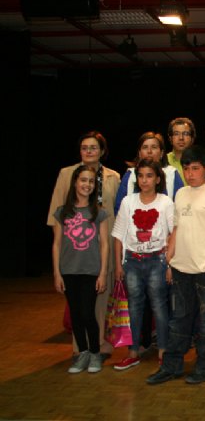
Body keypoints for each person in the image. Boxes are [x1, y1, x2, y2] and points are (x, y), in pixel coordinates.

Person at [146, 145, 205, 385]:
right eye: (186, 168)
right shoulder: (181, 194)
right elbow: (177, 227)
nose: (190, 173)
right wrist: (170, 255)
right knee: (179, 319)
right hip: (181, 268)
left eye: (195, 168)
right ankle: (172, 366)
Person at [47, 131, 120, 357]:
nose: (89, 151)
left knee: (101, 296)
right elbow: (56, 213)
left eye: (94, 147)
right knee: (80, 304)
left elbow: (117, 213)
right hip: (77, 246)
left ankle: (100, 344)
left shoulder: (113, 177)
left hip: (105, 242)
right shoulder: (66, 174)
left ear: (102, 151)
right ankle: (81, 348)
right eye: (84, 147)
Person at [111, 160, 174, 371]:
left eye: (149, 175)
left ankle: (164, 351)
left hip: (158, 261)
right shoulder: (128, 202)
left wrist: (169, 265)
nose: (144, 180)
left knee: (159, 307)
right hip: (132, 261)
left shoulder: (165, 202)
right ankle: (133, 352)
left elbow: (174, 233)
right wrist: (119, 264)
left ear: (157, 179)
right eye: (141, 176)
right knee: (134, 307)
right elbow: (118, 235)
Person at [52, 165, 109, 374]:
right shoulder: (62, 212)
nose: (87, 185)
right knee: (76, 315)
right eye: (83, 180)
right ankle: (82, 353)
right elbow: (57, 244)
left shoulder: (99, 213)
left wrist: (102, 273)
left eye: (91, 182)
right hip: (69, 271)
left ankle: (95, 352)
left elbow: (104, 244)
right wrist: (57, 273)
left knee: (87, 313)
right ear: (75, 183)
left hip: (90, 271)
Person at [114, 131, 184, 215]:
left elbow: (181, 208)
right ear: (139, 153)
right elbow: (119, 209)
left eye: (154, 147)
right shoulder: (130, 175)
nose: (149, 151)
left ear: (161, 153)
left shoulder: (172, 174)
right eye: (145, 147)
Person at [166, 117, 196, 183]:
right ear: (170, 138)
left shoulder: (199, 161)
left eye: (185, 134)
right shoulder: (163, 160)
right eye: (176, 134)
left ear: (192, 138)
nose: (181, 138)